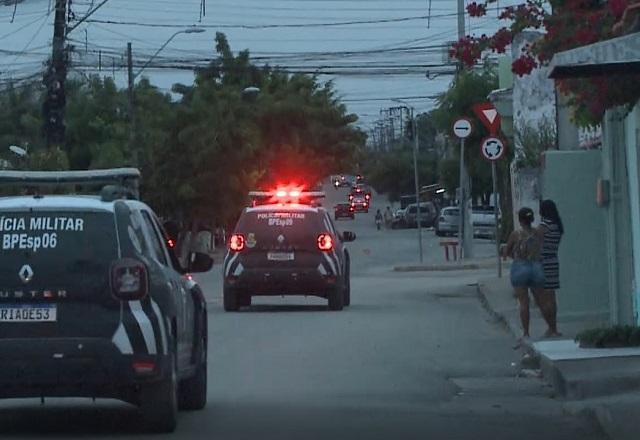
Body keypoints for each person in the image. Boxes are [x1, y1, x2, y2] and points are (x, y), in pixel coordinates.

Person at [502, 207, 546, 345]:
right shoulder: (538, 233)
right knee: (540, 300)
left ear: (520, 220)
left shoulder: (516, 234)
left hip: (520, 267)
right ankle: (550, 327)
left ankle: (526, 332)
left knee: (524, 303)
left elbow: (507, 252)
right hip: (536, 267)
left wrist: (512, 255)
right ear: (532, 219)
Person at [538, 199, 564, 337]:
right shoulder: (557, 226)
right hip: (553, 260)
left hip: (543, 262)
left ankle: (551, 327)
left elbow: (535, 242)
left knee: (543, 297)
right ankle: (554, 327)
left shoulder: (544, 226)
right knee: (552, 296)